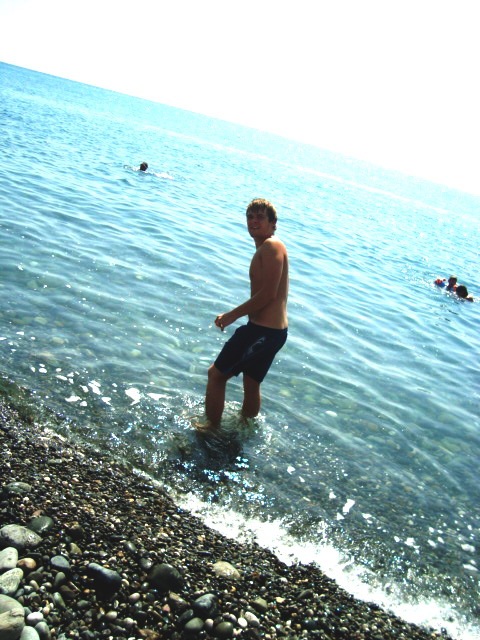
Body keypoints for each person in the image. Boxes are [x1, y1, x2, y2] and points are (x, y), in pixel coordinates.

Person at [204, 198, 289, 429]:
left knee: (216, 376)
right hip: (274, 333)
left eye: (260, 217)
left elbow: (268, 294)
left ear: (273, 223)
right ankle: (245, 428)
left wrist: (232, 315)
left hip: (262, 331)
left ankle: (210, 430)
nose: (253, 221)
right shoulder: (267, 247)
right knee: (251, 383)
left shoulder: (271, 246)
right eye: (250, 217)